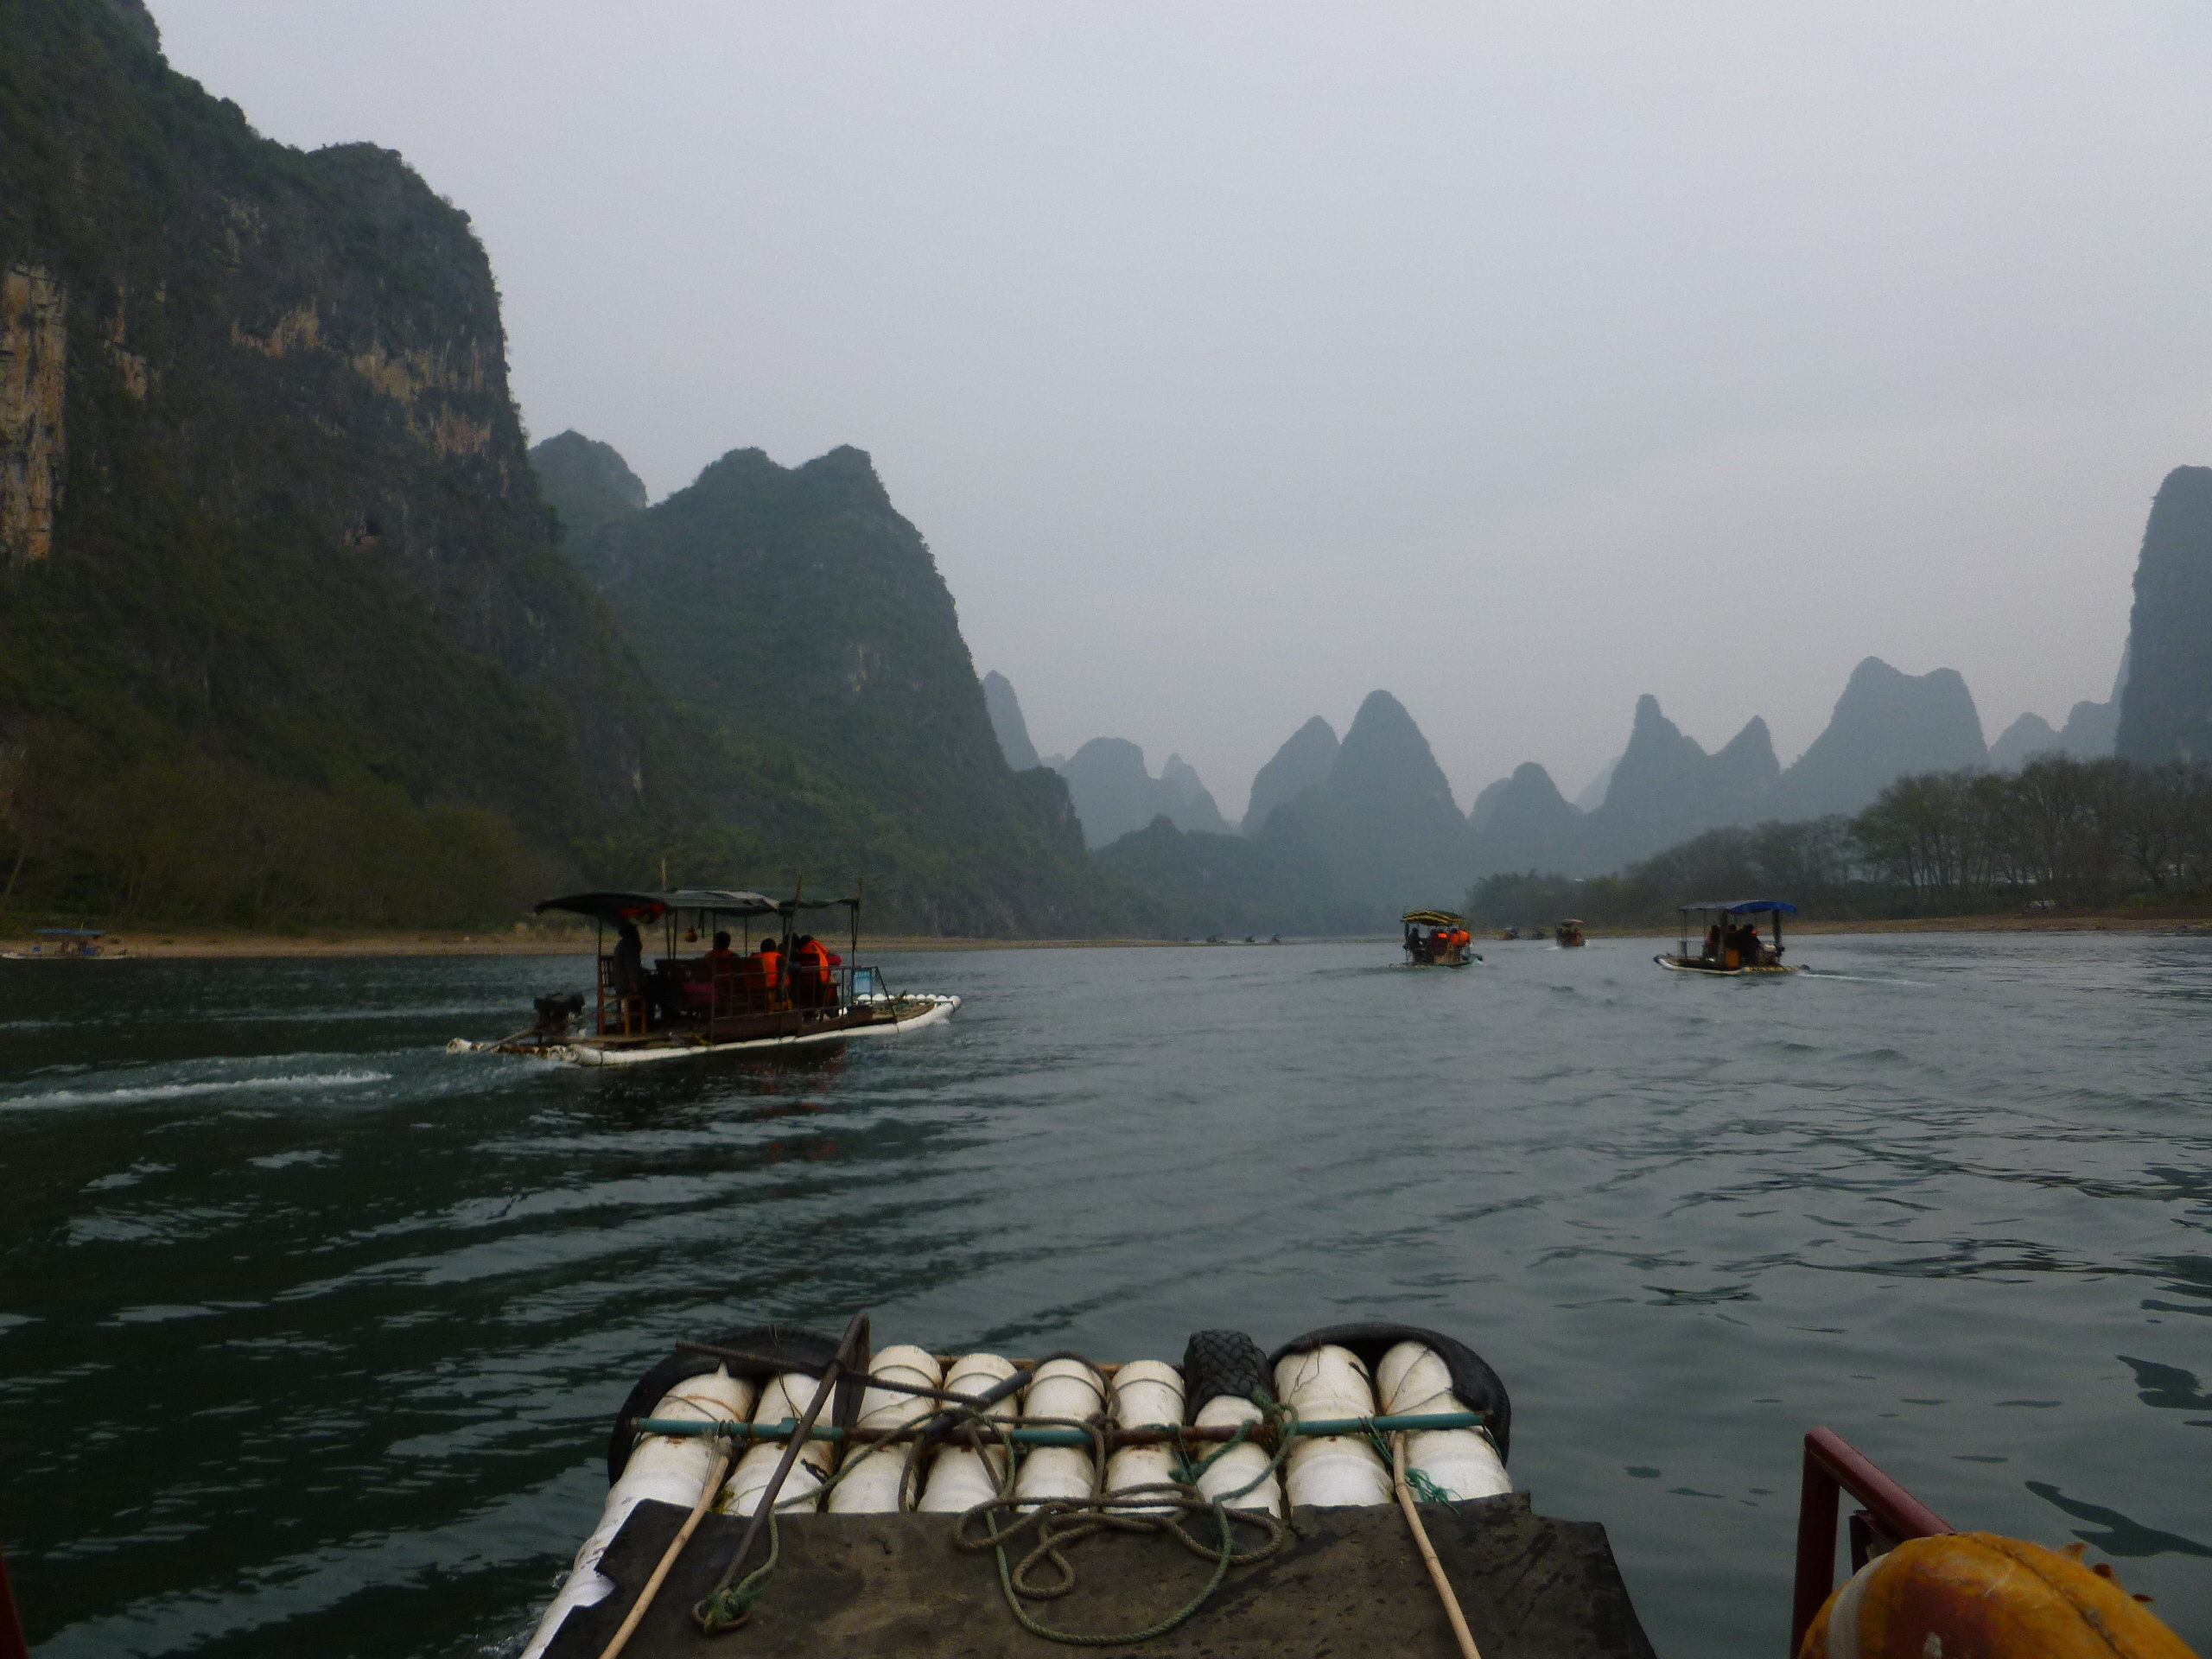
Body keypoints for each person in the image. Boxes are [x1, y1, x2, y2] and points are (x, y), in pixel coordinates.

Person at [610, 919, 647, 1030]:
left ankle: (640, 1024)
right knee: (654, 990)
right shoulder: (629, 945)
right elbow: (631, 966)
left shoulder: (624, 943)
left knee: (652, 986)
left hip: (621, 982)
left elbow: (631, 966)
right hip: (625, 984)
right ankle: (644, 1025)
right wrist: (634, 981)